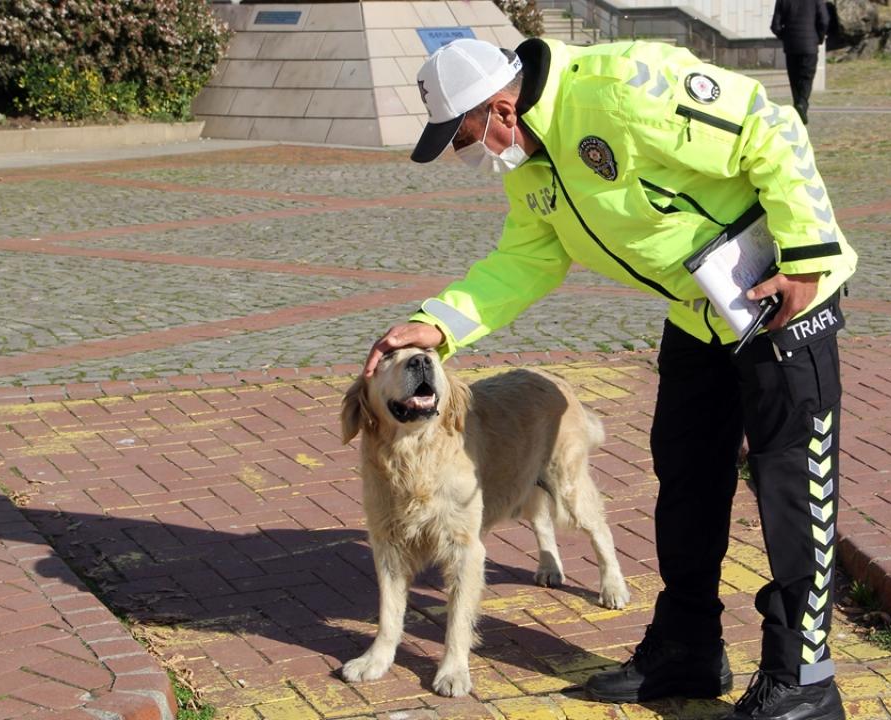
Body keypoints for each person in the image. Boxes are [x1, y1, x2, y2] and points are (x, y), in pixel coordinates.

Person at [363, 37, 857, 720]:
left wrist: (804, 256)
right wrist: (438, 325)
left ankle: (804, 676)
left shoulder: (620, 88)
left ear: (501, 110)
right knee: (684, 474)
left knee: (791, 483)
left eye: (463, 134)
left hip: (782, 299)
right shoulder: (531, 168)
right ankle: (688, 647)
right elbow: (525, 261)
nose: (462, 152)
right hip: (701, 311)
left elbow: (768, 127)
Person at [771, 0, 831, 124]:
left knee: (794, 79)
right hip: (810, 46)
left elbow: (775, 26)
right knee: (806, 78)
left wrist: (786, 37)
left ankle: (798, 107)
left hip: (791, 46)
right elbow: (824, 20)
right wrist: (819, 38)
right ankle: (802, 105)